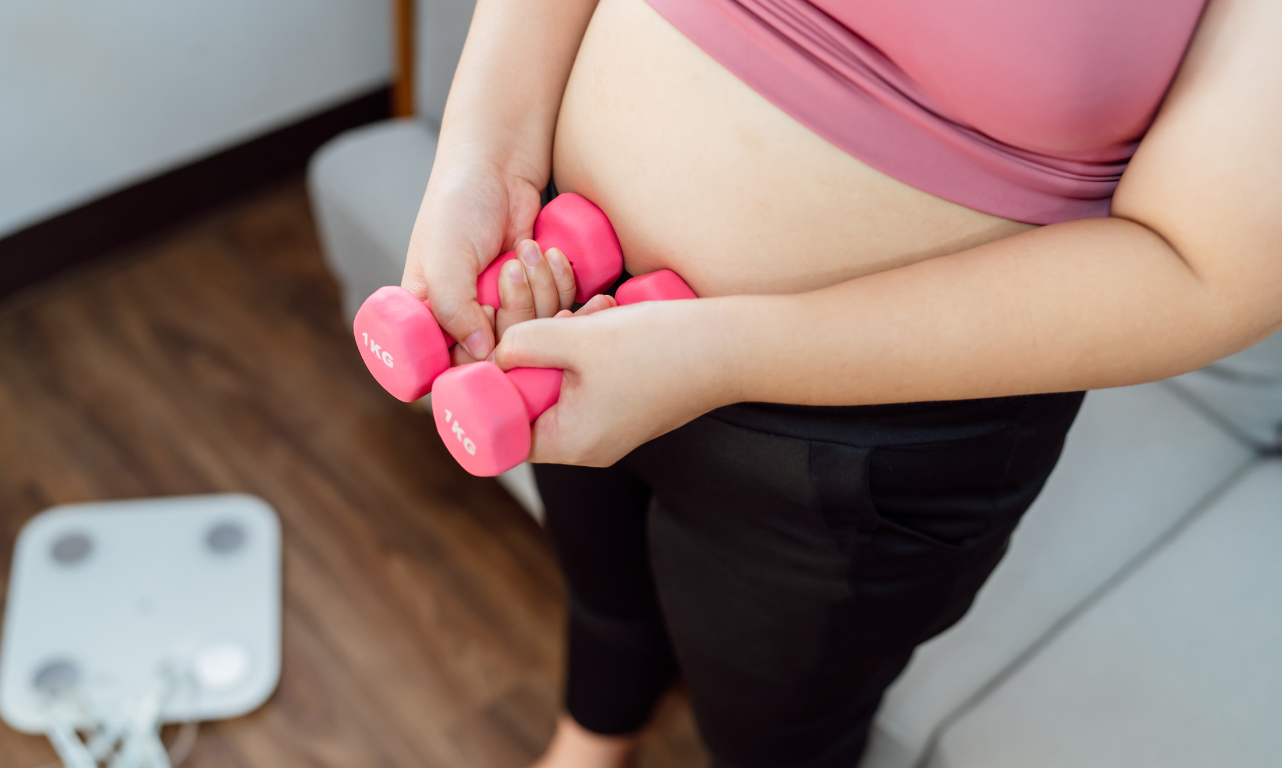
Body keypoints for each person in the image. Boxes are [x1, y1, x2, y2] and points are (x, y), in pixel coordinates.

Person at [399, 0, 1281, 766]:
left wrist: (722, 353)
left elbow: (1206, 269)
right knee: (601, 580)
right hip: (553, 287)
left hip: (862, 443)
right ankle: (593, 735)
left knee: (777, 737)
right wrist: (486, 156)